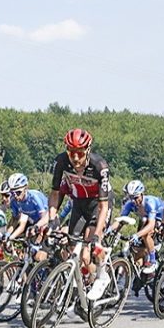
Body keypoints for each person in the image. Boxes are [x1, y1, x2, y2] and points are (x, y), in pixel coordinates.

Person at [47, 128, 112, 301]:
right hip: (79, 203)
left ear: (88, 150)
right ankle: (81, 287)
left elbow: (103, 207)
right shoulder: (61, 161)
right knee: (70, 246)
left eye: (80, 153)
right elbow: (55, 193)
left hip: (98, 205)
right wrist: (52, 218)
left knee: (88, 250)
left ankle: (102, 275)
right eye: (71, 152)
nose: (75, 158)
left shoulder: (99, 166)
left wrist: (97, 235)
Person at [117, 180, 164, 273]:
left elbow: (150, 225)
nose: (134, 201)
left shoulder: (150, 202)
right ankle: (139, 270)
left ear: (142, 194)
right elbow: (120, 220)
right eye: (131, 198)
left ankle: (153, 261)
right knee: (137, 249)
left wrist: (137, 235)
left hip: (159, 219)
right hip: (144, 219)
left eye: (136, 197)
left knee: (146, 235)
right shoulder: (130, 203)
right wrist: (111, 230)